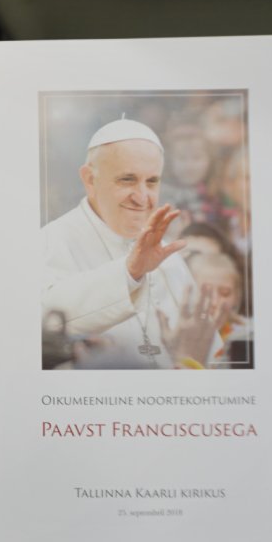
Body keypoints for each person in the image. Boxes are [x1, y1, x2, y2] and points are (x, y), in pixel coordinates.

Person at [42, 117, 225, 369]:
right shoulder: (49, 241)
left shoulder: (168, 255)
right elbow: (49, 321)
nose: (142, 197)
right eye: (127, 179)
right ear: (90, 179)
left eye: (152, 182)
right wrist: (131, 272)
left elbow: (209, 356)